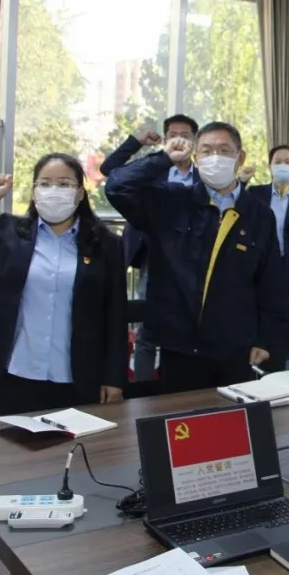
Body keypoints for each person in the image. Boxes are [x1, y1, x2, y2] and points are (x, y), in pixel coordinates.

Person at [0, 154, 128, 415]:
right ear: (34, 192)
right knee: (18, 439)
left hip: (80, 376)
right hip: (19, 372)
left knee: (78, 440)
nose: (53, 190)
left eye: (64, 184)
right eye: (45, 183)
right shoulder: (8, 234)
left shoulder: (107, 244)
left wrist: (114, 378)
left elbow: (116, 315)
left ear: (80, 193)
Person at [105, 121, 288, 392]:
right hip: (180, 346)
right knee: (181, 414)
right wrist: (164, 157)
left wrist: (266, 338)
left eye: (224, 150)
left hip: (235, 346)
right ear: (195, 157)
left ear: (240, 157)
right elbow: (117, 187)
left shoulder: (259, 214)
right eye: (206, 151)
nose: (215, 158)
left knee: (232, 413)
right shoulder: (172, 201)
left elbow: (270, 282)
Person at [99, 113, 199, 382]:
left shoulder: (204, 176)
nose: (180, 140)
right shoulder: (154, 169)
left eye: (186, 135)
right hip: (152, 255)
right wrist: (137, 142)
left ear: (195, 140)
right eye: (173, 135)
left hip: (190, 260)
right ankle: (143, 387)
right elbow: (110, 170)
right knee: (147, 326)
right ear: (165, 140)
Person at [244, 145, 289, 296]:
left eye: (287, 162)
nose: (282, 165)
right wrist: (242, 181)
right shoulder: (255, 194)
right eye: (277, 162)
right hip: (258, 268)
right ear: (270, 166)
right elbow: (235, 203)